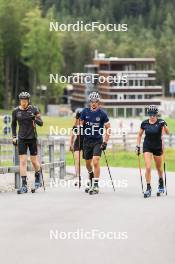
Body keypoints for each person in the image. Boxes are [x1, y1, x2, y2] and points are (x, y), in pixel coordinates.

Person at [11, 92, 43, 194]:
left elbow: (41, 123)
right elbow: (13, 125)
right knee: (23, 161)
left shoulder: (34, 109)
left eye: (25, 100)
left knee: (34, 162)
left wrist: (34, 118)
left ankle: (38, 176)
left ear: (28, 100)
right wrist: (14, 137)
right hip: (21, 139)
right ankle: (24, 185)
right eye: (22, 100)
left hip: (32, 138)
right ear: (20, 100)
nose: (23, 102)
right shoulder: (16, 111)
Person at [80, 91, 111, 195]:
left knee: (96, 161)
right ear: (89, 102)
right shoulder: (84, 112)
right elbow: (80, 125)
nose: (94, 103)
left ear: (98, 102)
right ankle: (91, 176)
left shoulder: (103, 114)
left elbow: (108, 128)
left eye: (96, 101)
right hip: (86, 141)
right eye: (92, 101)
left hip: (97, 141)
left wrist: (105, 142)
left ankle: (96, 184)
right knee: (88, 165)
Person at [136, 105, 170, 198]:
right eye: (150, 114)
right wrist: (138, 146)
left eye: (154, 114)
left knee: (159, 168)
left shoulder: (160, 122)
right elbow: (139, 135)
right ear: (148, 114)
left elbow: (167, 132)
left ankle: (161, 182)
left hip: (158, 147)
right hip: (147, 146)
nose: (152, 116)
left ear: (156, 114)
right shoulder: (144, 123)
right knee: (148, 167)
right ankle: (148, 188)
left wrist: (165, 125)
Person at [69, 109, 84, 186]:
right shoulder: (76, 122)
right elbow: (73, 132)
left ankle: (90, 177)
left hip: (86, 142)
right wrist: (70, 144)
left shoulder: (87, 121)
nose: (80, 119)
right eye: (79, 117)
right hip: (77, 142)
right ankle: (78, 177)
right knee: (77, 159)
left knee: (88, 161)